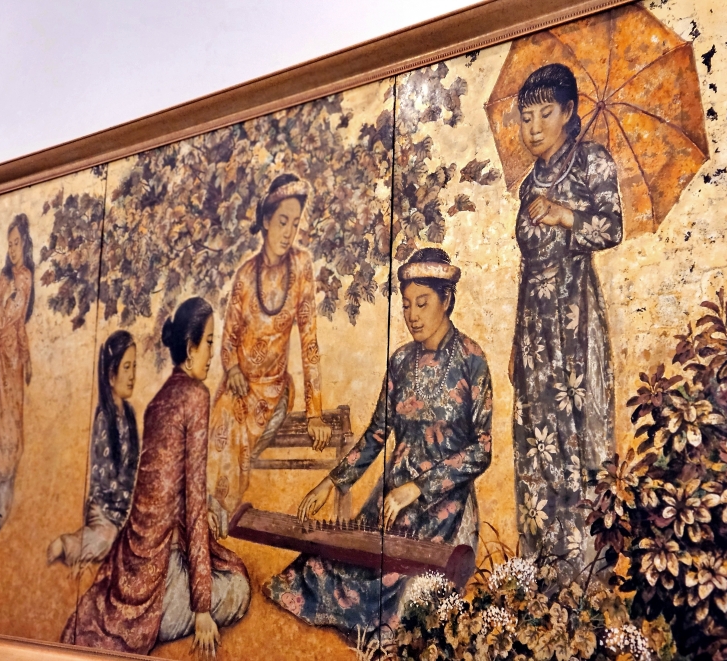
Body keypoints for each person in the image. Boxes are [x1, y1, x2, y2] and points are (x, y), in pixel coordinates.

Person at [264, 248, 492, 640]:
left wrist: (417, 487)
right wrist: (332, 483)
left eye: (422, 302)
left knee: (408, 593)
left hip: (444, 503)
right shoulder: (401, 361)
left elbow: (482, 448)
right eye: (406, 305)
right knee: (328, 564)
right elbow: (375, 435)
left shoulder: (472, 360)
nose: (412, 315)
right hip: (390, 497)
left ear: (446, 299)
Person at [62, 298, 250, 657]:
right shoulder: (195, 395)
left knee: (217, 564)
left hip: (133, 563)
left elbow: (172, 489)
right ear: (191, 347)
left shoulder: (159, 401)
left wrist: (206, 508)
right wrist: (202, 608)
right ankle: (172, 610)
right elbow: (191, 502)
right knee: (239, 588)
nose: (213, 353)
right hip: (159, 571)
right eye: (209, 342)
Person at [508, 64, 623, 567]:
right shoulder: (527, 184)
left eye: (545, 113)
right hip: (535, 322)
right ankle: (541, 574)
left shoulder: (592, 160)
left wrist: (564, 214)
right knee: (537, 443)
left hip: (575, 316)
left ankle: (588, 573)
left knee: (580, 435)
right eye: (526, 117)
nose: (533, 127)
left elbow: (612, 228)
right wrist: (517, 341)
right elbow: (526, 268)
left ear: (569, 111)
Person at [208, 173, 331, 532]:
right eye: (282, 221)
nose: (288, 232)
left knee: (233, 425)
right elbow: (228, 341)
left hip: (275, 391)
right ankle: (209, 514)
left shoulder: (302, 267)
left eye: (295, 223)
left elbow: (309, 343)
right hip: (239, 389)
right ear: (265, 220)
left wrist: (315, 414)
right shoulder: (246, 275)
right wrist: (232, 369)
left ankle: (219, 513)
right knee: (223, 420)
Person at [47, 331, 140, 572]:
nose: (132, 375)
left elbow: (132, 468)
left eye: (134, 367)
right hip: (105, 510)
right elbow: (104, 479)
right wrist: (119, 517)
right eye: (126, 367)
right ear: (111, 375)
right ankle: (66, 545)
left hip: (123, 507)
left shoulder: (129, 415)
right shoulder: (104, 418)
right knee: (107, 540)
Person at [0, 214, 35, 522]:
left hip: (14, 361)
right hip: (1, 358)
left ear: (25, 243)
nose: (13, 249)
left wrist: (26, 358)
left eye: (17, 243)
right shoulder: (4, 278)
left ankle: (5, 492)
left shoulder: (26, 277)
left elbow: (18, 324)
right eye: (10, 244)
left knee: (12, 423)